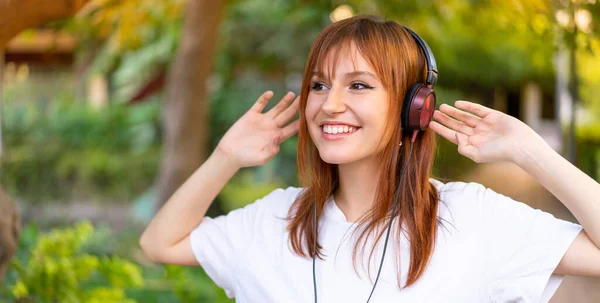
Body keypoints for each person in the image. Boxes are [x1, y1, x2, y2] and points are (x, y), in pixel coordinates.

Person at [140, 15, 600, 302]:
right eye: (319, 85)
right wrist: (224, 157)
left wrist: (530, 151)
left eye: (358, 85)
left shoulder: (473, 219)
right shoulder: (277, 218)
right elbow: (160, 243)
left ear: (412, 107)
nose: (329, 104)